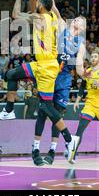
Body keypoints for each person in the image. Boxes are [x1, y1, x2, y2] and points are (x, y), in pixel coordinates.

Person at [0, 0, 78, 164]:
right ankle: (9, 109)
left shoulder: (39, 18)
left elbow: (15, 14)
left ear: (41, 6)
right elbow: (52, 5)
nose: (35, 2)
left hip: (47, 68)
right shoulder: (57, 18)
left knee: (46, 107)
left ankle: (69, 139)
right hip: (40, 64)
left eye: (37, 1)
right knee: (11, 74)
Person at [30, 12, 86, 166]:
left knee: (58, 115)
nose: (76, 20)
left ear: (82, 28)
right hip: (50, 73)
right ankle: (35, 149)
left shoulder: (80, 44)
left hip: (64, 79)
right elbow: (53, 7)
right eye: (76, 18)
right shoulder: (62, 28)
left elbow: (80, 70)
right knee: (43, 111)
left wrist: (85, 74)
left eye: (80, 20)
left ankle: (52, 150)